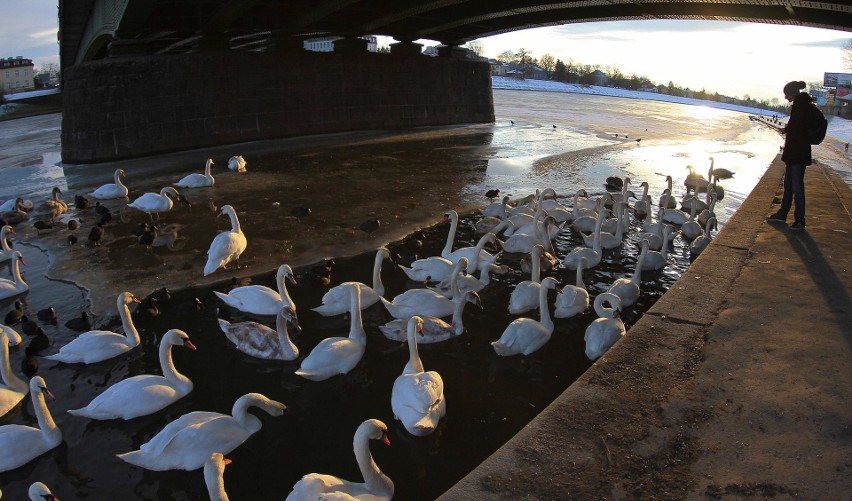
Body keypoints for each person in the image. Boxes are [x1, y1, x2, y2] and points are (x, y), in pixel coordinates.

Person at [767, 80, 812, 230]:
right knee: (788, 185)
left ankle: (800, 220)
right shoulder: (799, 106)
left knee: (797, 187)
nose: (785, 97)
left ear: (791, 93)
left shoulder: (802, 107)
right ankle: (782, 214)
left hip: (798, 154)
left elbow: (800, 131)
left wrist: (789, 130)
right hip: (794, 153)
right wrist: (788, 130)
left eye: (786, 94)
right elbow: (797, 128)